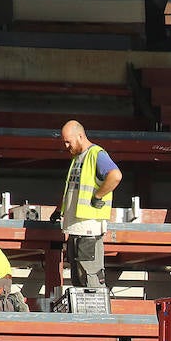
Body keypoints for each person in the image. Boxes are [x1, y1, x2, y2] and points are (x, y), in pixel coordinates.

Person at [58, 120, 123, 289]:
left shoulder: (96, 154)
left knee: (90, 276)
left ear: (80, 136)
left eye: (68, 141)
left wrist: (98, 196)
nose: (66, 145)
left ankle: (95, 315)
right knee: (78, 277)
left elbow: (115, 175)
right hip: (76, 228)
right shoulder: (78, 158)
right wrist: (60, 209)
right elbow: (73, 189)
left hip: (89, 229)